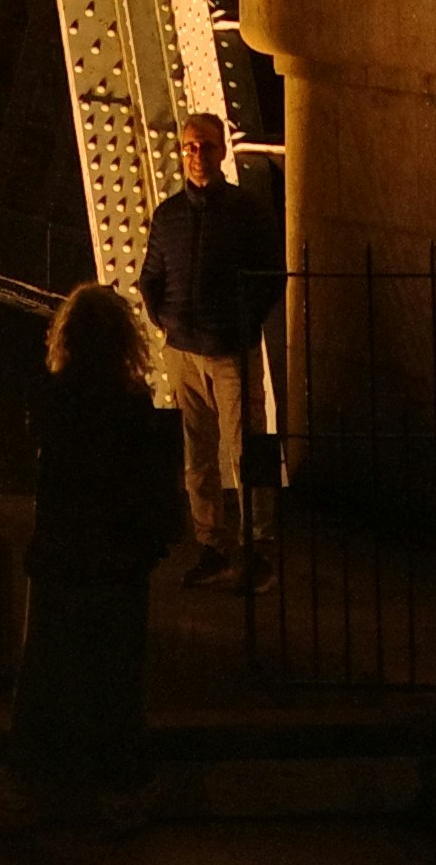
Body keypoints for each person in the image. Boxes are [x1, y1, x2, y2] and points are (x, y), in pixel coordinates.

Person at [10, 283, 184, 822]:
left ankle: (41, 775)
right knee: (115, 677)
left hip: (62, 557)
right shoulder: (132, 409)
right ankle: (118, 780)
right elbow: (151, 492)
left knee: (49, 669)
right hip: (116, 562)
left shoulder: (53, 402)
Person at [135, 107, 280, 586]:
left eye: (206, 147)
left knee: (247, 447)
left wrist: (243, 324)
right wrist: (166, 321)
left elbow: (270, 276)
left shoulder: (245, 212)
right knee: (198, 453)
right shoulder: (169, 215)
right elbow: (151, 277)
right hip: (185, 351)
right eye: (189, 147)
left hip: (230, 349)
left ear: (221, 153)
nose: (197, 155)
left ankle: (257, 547)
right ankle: (213, 547)